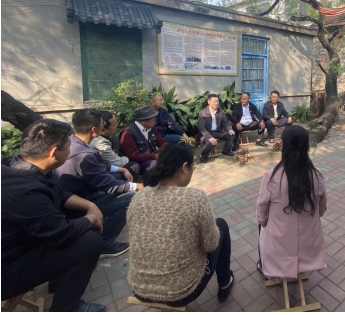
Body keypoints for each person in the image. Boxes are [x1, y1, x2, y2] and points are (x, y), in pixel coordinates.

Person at [2, 119, 106, 312]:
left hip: (19, 241)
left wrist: (90, 205)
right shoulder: (26, 193)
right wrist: (91, 218)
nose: (71, 149)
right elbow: (63, 233)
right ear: (53, 152)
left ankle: (58, 282)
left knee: (76, 216)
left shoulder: (14, 165)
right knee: (89, 242)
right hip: (7, 268)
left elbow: (57, 192)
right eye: (68, 145)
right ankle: (66, 308)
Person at [127, 144, 234, 307]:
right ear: (185, 168)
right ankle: (225, 283)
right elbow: (211, 244)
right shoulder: (195, 198)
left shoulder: (138, 198)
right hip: (179, 292)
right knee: (222, 225)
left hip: (140, 288)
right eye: (192, 168)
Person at [53, 108, 139, 258]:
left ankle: (104, 221)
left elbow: (96, 167)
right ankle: (105, 243)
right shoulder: (84, 155)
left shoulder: (73, 142)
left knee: (119, 176)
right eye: (102, 124)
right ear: (94, 129)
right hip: (77, 205)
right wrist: (139, 186)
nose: (104, 126)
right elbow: (111, 186)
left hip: (70, 196)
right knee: (131, 197)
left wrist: (120, 169)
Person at [256, 126, 326, 279]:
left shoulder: (271, 177)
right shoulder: (317, 175)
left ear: (283, 146)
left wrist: (264, 222)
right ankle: (299, 266)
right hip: (309, 247)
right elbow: (321, 210)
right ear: (307, 147)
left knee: (261, 224)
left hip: (278, 249)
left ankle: (264, 264)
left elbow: (261, 213)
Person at [119, 106, 166, 180]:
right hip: (136, 163)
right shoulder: (128, 133)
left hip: (150, 158)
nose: (155, 119)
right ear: (143, 121)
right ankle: (150, 185)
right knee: (154, 164)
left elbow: (161, 142)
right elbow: (134, 156)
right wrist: (156, 156)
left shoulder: (151, 128)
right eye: (152, 118)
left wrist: (170, 151)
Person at [91, 110, 140, 182]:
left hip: (102, 166)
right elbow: (117, 163)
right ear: (103, 129)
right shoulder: (101, 142)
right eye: (114, 125)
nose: (116, 125)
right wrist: (127, 157)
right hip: (98, 175)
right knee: (133, 166)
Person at [198, 94, 236, 163]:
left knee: (231, 135)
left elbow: (225, 122)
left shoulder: (220, 111)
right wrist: (209, 137)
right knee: (210, 142)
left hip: (217, 131)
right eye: (214, 101)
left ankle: (226, 151)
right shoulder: (202, 113)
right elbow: (202, 128)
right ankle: (202, 156)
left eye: (217, 101)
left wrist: (229, 129)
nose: (216, 103)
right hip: (206, 133)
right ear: (209, 102)